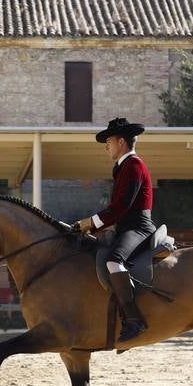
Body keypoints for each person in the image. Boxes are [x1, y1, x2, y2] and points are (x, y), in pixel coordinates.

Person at [74, 117, 155, 342]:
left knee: (113, 261)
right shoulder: (123, 167)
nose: (106, 146)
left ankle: (133, 320)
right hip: (125, 226)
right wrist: (94, 227)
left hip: (138, 228)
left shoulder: (134, 165)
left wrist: (92, 222)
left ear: (120, 142)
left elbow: (122, 206)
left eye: (108, 141)